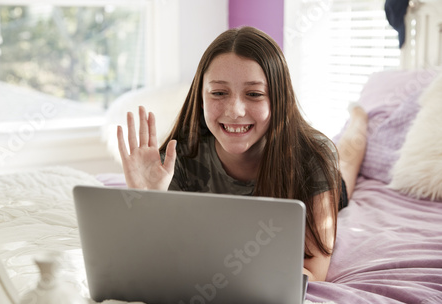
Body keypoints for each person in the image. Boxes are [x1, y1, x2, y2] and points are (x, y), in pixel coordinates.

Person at [117, 26, 368, 282]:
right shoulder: (178, 160)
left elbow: (313, 273)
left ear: (278, 100)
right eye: (219, 93)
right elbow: (153, 259)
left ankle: (359, 120)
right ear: (200, 98)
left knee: (346, 162)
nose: (235, 110)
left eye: (254, 94)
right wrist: (148, 202)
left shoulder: (314, 159)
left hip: (322, 173)